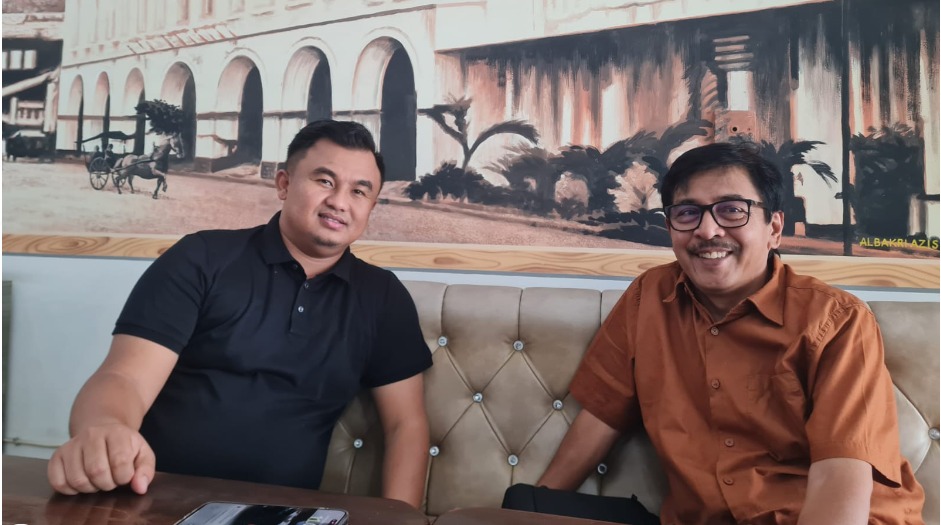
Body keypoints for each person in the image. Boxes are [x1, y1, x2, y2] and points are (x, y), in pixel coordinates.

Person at [529, 143, 925, 524]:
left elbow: (839, 473)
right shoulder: (647, 298)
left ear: (774, 228)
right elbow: (603, 413)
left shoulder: (836, 321)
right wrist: (533, 512)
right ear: (670, 227)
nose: (707, 230)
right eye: (687, 213)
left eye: (732, 210)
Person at [47, 120, 433, 509]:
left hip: (278, 513)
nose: (340, 202)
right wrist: (105, 428)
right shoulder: (201, 259)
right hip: (150, 499)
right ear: (283, 184)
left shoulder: (382, 297)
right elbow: (124, 377)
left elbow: (406, 425)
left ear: (371, 206)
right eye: (325, 181)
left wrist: (399, 519)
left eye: (359, 191)